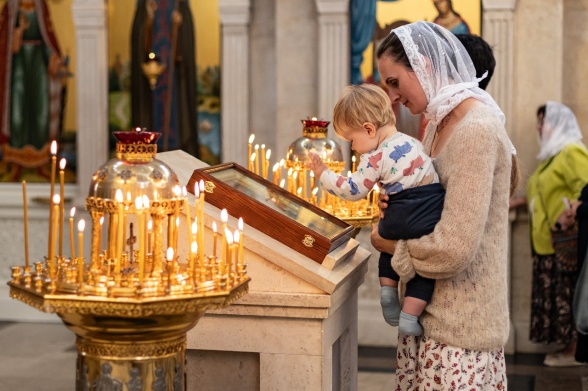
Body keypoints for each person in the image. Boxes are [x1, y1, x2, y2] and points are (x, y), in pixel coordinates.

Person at [372, 21, 518, 388]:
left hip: (460, 335)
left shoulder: (476, 128)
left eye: (394, 81)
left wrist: (392, 246)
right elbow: (434, 204)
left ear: (423, 64)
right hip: (430, 321)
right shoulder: (439, 122)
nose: (391, 96)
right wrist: (399, 202)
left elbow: (453, 249)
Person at [306, 83, 445, 336]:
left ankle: (388, 291)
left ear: (369, 129)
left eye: (351, 140)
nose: (352, 147)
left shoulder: (374, 157)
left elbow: (353, 189)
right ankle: (410, 316)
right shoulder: (413, 142)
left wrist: (323, 175)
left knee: (388, 249)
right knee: (425, 268)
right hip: (428, 211)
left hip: (396, 214)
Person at [510, 102, 588, 367]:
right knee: (558, 293)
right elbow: (543, 192)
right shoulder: (552, 157)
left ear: (560, 123)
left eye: (545, 121)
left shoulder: (571, 152)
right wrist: (519, 202)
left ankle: (575, 351)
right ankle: (569, 347)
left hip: (565, 240)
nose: (539, 127)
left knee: (568, 294)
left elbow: (586, 189)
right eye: (539, 121)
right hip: (547, 241)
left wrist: (570, 213)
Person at [130, 0, 200, 157]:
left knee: (176, 110)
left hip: (174, 74)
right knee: (150, 113)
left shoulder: (178, 4)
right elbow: (138, 35)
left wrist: (179, 26)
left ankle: (177, 147)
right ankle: (149, 148)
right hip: (151, 75)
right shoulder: (145, 3)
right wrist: (148, 19)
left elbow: (187, 40)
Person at [0, 0, 63, 150]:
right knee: (17, 107)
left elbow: (47, 36)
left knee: (41, 106)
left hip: (38, 62)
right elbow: (5, 42)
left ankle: (41, 151)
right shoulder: (10, 8)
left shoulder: (41, 6)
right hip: (18, 65)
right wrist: (18, 32)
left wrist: (53, 57)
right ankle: (15, 151)